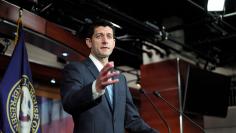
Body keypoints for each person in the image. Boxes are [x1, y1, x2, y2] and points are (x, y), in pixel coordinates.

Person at [60, 19, 159, 133]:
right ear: (89, 42)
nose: (105, 41)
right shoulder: (76, 69)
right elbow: (69, 103)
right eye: (99, 36)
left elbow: (132, 120)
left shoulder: (120, 79)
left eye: (109, 36)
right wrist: (95, 88)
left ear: (113, 43)